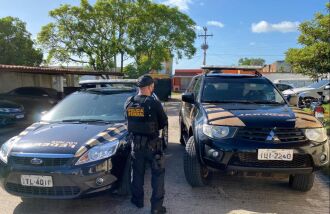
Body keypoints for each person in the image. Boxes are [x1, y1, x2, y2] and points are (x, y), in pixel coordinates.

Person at [125, 75, 168, 214]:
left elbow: (127, 121)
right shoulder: (154, 103)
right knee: (158, 176)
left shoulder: (129, 102)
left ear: (139, 87)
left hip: (136, 146)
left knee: (136, 174)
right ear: (151, 87)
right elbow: (163, 123)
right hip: (153, 146)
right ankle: (156, 208)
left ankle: (137, 201)